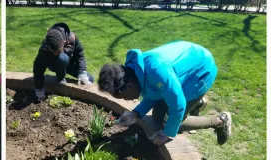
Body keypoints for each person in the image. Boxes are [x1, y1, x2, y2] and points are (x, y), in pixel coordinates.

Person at [98, 41, 232, 146]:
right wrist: (136, 113)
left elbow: (178, 105)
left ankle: (220, 121)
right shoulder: (135, 72)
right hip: (182, 69)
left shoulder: (157, 71)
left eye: (123, 96)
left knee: (170, 122)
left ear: (128, 85)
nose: (126, 100)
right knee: (157, 116)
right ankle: (196, 104)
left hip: (200, 70)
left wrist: (168, 134)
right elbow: (153, 90)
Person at [33, 23, 95, 101]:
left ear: (63, 42)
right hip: (56, 64)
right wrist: (39, 89)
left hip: (69, 63)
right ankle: (61, 77)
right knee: (62, 58)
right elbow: (38, 69)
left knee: (90, 78)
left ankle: (71, 72)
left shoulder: (72, 38)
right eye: (53, 51)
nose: (55, 53)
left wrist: (81, 72)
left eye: (58, 51)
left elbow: (80, 54)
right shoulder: (45, 47)